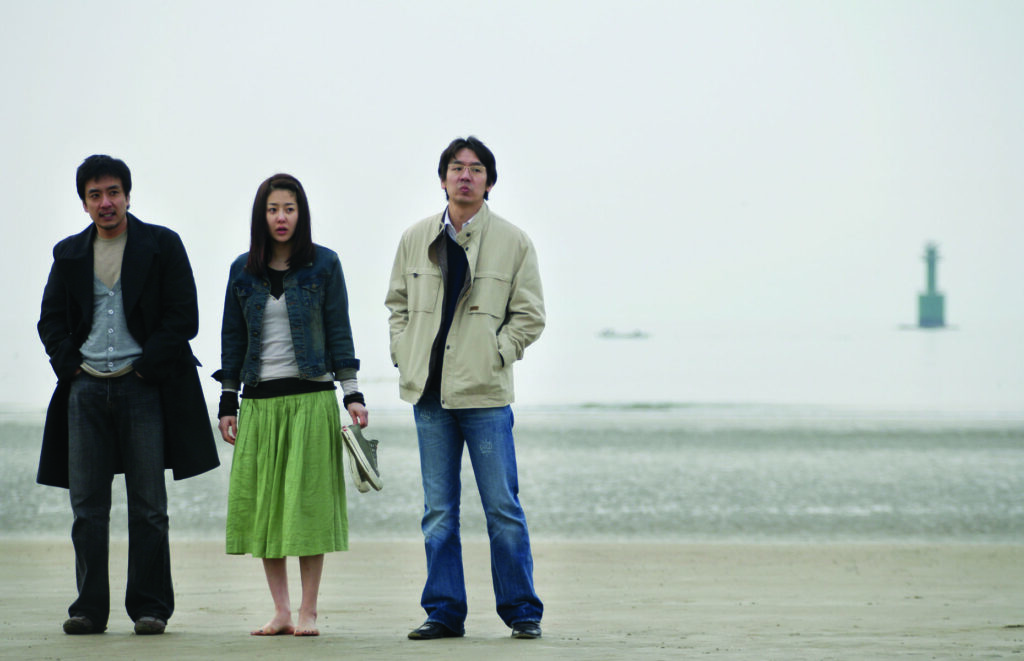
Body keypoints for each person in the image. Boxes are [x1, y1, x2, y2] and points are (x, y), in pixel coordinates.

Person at [37, 154, 220, 636]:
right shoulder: (68, 254)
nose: (106, 202)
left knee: (149, 506)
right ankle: (88, 609)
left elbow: (184, 316)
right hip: (86, 390)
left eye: (113, 192)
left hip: (145, 389)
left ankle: (150, 606)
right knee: (87, 508)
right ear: (84, 202)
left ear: (128, 195)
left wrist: (145, 370)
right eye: (95, 194)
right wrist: (70, 366)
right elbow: (50, 320)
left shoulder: (161, 245)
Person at [385, 136, 546, 640]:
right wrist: (403, 351)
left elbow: (531, 315)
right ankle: (444, 612)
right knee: (438, 512)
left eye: (476, 169)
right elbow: (397, 306)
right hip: (429, 396)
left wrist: (498, 352)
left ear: (489, 182)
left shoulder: (513, 241)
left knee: (502, 508)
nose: (465, 176)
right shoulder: (415, 237)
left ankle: (522, 611)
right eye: (456, 168)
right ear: (442, 179)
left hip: (486, 395)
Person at [214, 173, 370, 637]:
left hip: (312, 399)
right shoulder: (242, 270)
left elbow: (339, 330)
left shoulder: (325, 265)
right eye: (272, 209)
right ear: (261, 216)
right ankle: (281, 611)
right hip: (260, 401)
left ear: (301, 215)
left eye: (289, 208)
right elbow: (232, 339)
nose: (281, 217)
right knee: (267, 506)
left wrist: (353, 392)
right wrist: (228, 401)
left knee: (308, 505)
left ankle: (309, 611)